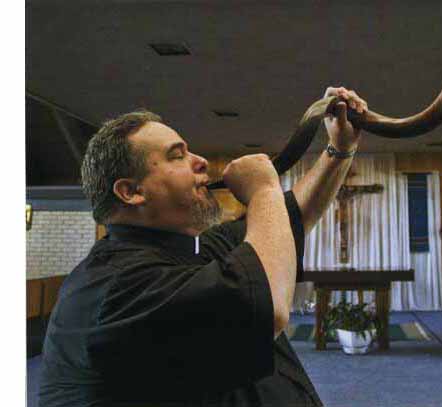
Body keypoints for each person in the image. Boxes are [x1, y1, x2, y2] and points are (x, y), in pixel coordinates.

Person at [38, 86, 368, 406]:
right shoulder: (116, 287)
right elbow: (270, 307)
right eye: (177, 155)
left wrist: (339, 149)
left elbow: (289, 218)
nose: (201, 162)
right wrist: (264, 190)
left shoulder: (188, 252)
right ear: (131, 191)